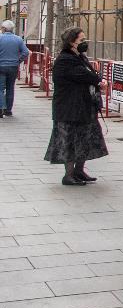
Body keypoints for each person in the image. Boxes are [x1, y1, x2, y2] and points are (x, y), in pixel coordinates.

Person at [44, 27, 107, 185]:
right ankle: (69, 175)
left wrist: (97, 80)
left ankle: (79, 171)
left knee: (85, 140)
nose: (84, 43)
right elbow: (86, 75)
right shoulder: (65, 59)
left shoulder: (80, 57)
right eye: (81, 40)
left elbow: (92, 74)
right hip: (69, 109)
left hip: (83, 107)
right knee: (70, 141)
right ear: (71, 42)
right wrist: (98, 80)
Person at [0, 19, 29, 117]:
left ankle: (1, 108)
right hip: (13, 67)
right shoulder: (18, 39)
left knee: (0, 88)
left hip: (1, 66)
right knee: (10, 88)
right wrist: (18, 60)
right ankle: (8, 110)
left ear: (3, 28)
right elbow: (25, 52)